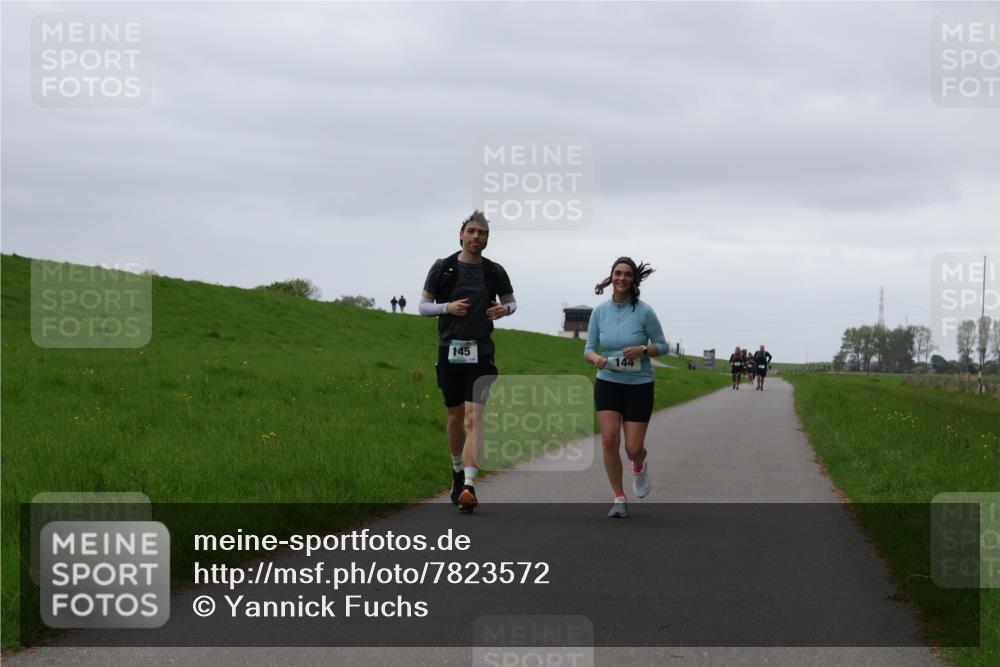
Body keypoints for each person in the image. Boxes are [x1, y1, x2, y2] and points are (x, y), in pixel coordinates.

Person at [419, 211, 515, 513]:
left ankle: (470, 486)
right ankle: (457, 471)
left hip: (482, 353)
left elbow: (512, 301)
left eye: (482, 233)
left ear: (487, 238)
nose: (477, 237)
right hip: (450, 351)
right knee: (454, 418)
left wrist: (505, 310)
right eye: (472, 231)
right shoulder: (443, 268)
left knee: (475, 417)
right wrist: (448, 307)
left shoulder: (494, 271)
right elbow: (423, 306)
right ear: (461, 234)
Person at [584, 257, 667, 518]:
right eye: (617, 273)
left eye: (627, 274)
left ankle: (639, 465)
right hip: (608, 380)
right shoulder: (600, 312)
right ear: (611, 277)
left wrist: (643, 349)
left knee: (632, 448)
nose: (621, 278)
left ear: (634, 280)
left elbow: (663, 346)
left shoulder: (644, 312)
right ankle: (619, 497)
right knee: (609, 440)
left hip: (639, 384)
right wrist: (596, 358)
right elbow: (588, 349)